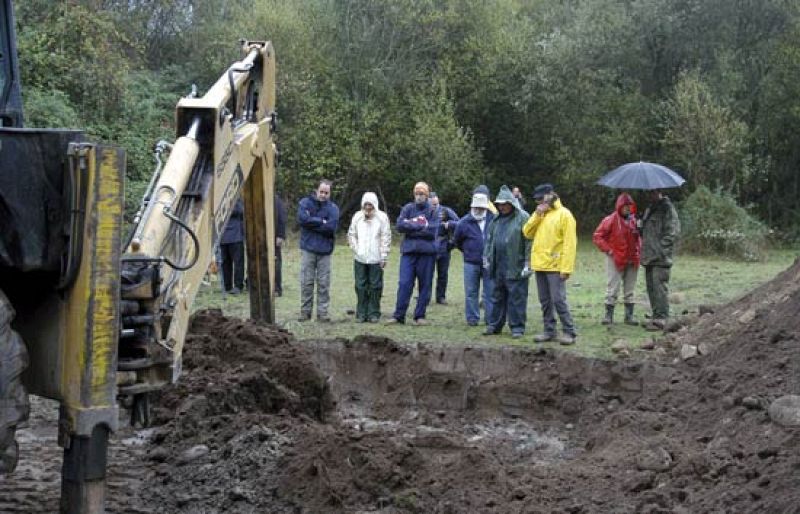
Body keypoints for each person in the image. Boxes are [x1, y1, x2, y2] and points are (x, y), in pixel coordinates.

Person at [522, 183, 578, 345]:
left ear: (551, 195)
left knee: (558, 300)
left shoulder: (565, 215)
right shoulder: (540, 214)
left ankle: (569, 331)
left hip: (555, 266)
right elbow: (527, 232)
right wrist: (537, 215)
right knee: (545, 301)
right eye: (537, 200)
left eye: (541, 199)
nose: (539, 202)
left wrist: (566, 268)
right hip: (540, 264)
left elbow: (570, 244)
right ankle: (549, 330)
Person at [387, 182, 440, 325]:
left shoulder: (433, 211)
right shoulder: (408, 208)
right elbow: (399, 226)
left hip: (427, 254)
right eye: (416, 193)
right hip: (408, 253)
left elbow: (432, 231)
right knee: (404, 283)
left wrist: (410, 225)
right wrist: (420, 224)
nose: (419, 196)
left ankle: (420, 316)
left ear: (426, 195)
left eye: (421, 193)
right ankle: (399, 316)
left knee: (425, 285)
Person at [483, 185, 531, 339]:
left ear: (511, 203)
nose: (502, 207)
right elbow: (489, 240)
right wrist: (486, 257)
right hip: (498, 265)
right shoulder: (496, 220)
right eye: (499, 204)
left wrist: (528, 263)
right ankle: (494, 325)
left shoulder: (523, 218)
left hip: (515, 265)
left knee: (516, 297)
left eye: (504, 204)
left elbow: (529, 241)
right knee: (497, 296)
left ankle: (517, 327)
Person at [592, 193, 641, 325]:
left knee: (630, 289)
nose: (628, 208)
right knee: (613, 287)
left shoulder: (634, 221)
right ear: (619, 206)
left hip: (632, 258)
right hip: (615, 258)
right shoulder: (611, 220)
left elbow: (638, 239)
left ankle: (629, 317)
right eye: (625, 206)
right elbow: (597, 236)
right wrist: (609, 250)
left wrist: (640, 234)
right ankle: (608, 316)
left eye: (630, 206)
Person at [297, 180, 339, 322]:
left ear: (330, 193)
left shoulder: (333, 208)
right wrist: (322, 221)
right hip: (308, 248)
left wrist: (312, 222)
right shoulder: (305, 203)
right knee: (306, 282)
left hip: (325, 250)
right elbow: (303, 220)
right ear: (316, 190)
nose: (323, 195)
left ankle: (322, 313)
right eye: (321, 191)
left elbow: (331, 227)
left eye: (326, 192)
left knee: (323, 283)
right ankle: (305, 313)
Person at [347, 192, 392, 323]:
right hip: (360, 258)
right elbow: (351, 234)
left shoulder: (382, 218)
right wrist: (356, 249)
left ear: (375, 205)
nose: (368, 207)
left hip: (376, 258)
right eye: (366, 204)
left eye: (370, 204)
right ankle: (361, 313)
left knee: (375, 286)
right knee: (360, 286)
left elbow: (385, 237)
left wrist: (383, 256)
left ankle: (374, 313)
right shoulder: (357, 217)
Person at [640, 189, 680, 331]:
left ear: (659, 192)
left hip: (661, 258)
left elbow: (673, 233)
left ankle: (662, 319)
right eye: (649, 193)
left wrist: (661, 249)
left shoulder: (667, 209)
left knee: (659, 288)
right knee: (651, 288)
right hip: (648, 256)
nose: (650, 195)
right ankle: (655, 316)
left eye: (653, 192)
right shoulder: (650, 209)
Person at [454, 193, 495, 326]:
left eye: (481, 207)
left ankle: (490, 319)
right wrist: (468, 252)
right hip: (470, 262)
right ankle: (472, 318)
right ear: (472, 206)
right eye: (476, 207)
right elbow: (457, 241)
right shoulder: (463, 222)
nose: (478, 210)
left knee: (490, 291)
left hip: (489, 262)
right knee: (471, 291)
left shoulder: (494, 219)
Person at [429, 192, 459, 305]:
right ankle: (424, 296)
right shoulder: (424, 211)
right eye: (431, 202)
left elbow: (459, 223)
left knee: (442, 273)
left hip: (443, 245)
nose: (434, 204)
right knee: (426, 273)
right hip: (429, 245)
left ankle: (441, 297)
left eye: (435, 202)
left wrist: (449, 224)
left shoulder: (446, 210)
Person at [219, 198, 245, 294]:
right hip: (223, 237)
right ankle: (227, 285)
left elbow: (241, 211)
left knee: (238, 263)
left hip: (236, 237)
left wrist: (228, 207)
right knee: (225, 263)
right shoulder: (219, 199)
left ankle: (238, 285)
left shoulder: (236, 199)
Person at [274, 193, 287, 297]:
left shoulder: (276, 200)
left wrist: (280, 235)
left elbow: (282, 219)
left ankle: (277, 288)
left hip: (274, 237)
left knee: (276, 262)